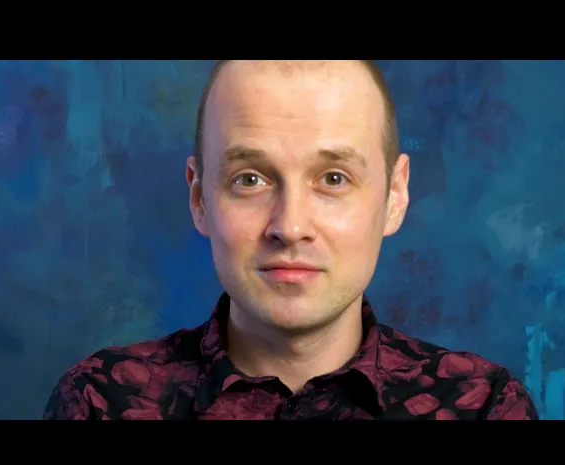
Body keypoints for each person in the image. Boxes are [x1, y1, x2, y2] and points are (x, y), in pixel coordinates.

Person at [43, 60, 538, 420]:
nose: (290, 226)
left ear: (394, 196)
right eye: (250, 179)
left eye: (334, 179)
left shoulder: (483, 405)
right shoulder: (100, 401)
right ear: (198, 198)